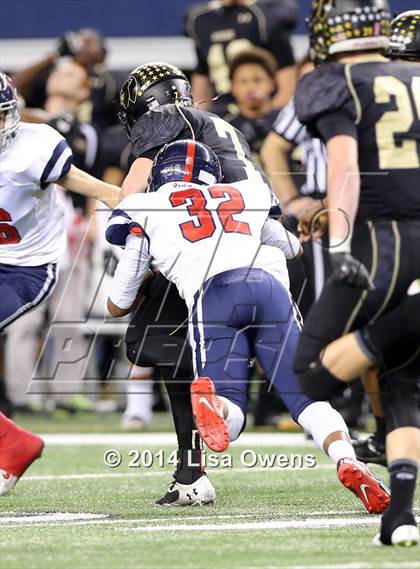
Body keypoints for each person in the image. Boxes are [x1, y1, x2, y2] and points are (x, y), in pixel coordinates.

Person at [106, 138, 390, 516]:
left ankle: (217, 407)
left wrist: (158, 265)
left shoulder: (145, 207)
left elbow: (118, 304)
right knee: (307, 398)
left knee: (230, 412)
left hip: (216, 295)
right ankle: (347, 459)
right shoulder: (246, 192)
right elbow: (292, 248)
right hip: (269, 291)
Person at [113, 60, 275, 505]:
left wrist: (134, 244)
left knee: (152, 343)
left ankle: (195, 464)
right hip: (255, 244)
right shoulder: (220, 125)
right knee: (175, 351)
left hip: (205, 252)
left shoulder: (165, 120)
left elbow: (130, 197)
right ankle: (340, 441)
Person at [292, 1, 420, 546]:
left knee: (312, 373)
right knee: (399, 382)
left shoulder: (335, 80)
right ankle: (403, 516)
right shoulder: (412, 75)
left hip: (380, 242)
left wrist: (340, 242)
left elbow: (345, 165)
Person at [0, 72, 120, 495]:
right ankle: (13, 442)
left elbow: (73, 178)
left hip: (27, 267)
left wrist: (115, 195)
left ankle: (12, 443)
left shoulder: (32, 146)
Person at [184, 0, 298, 113]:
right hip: (221, 113)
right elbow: (202, 83)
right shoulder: (199, 18)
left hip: (260, 113)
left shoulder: (265, 14)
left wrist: (268, 122)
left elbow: (287, 86)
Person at [222, 48, 279, 164]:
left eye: (257, 80)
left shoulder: (285, 122)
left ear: (272, 83)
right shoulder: (222, 126)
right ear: (233, 87)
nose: (250, 88)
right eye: (243, 81)